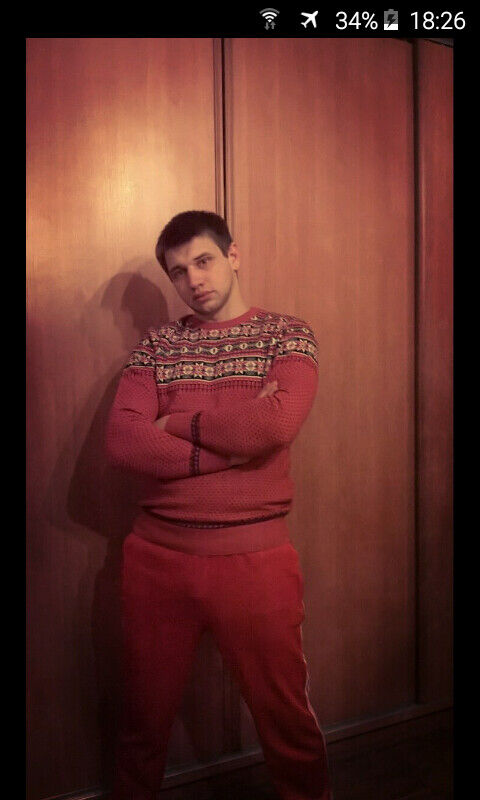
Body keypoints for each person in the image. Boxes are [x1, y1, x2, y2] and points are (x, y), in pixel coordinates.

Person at [105, 210, 332, 799]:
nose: (194, 280)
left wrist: (173, 423)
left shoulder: (287, 335)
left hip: (255, 561)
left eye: (203, 261)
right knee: (141, 722)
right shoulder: (157, 345)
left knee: (287, 721)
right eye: (178, 272)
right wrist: (227, 453)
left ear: (233, 256)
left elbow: (274, 424)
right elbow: (124, 440)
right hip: (155, 561)